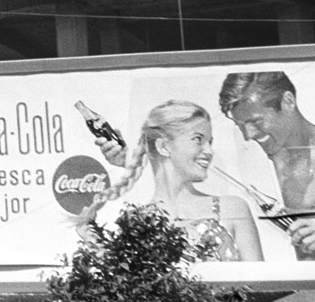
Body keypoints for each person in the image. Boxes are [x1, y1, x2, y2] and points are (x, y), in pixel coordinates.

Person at [85, 100, 264, 261]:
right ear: (163, 147)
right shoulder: (135, 222)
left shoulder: (232, 208)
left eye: (210, 142)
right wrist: (99, 248)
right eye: (198, 140)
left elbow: (263, 288)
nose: (209, 151)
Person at [218, 71, 315, 260]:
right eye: (240, 125)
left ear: (288, 102)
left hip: (312, 286)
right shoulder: (239, 155)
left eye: (256, 121)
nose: (248, 135)